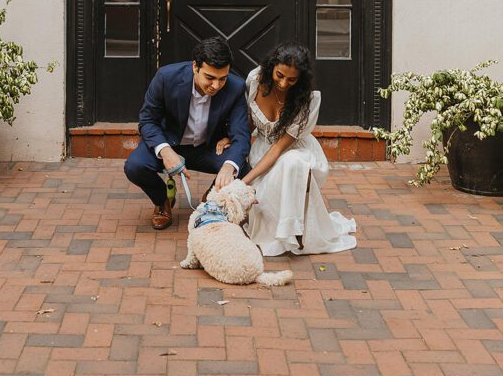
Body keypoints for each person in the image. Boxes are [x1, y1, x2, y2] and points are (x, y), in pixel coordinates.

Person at [218, 42, 356, 256]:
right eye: (279, 75)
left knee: (291, 163)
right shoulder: (256, 80)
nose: (283, 83)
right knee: (262, 201)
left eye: (291, 79)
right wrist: (234, 137)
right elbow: (253, 121)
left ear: (300, 79)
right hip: (262, 148)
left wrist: (242, 183)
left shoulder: (306, 101)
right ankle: (274, 232)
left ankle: (291, 232)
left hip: (293, 151)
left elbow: (278, 149)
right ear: (271, 67)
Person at [124, 37, 251, 231]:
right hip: (170, 144)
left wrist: (228, 167)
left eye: (222, 78)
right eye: (210, 77)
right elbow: (147, 121)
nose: (216, 85)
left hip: (208, 148)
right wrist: (166, 152)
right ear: (195, 67)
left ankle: (210, 202)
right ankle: (162, 201)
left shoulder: (236, 87)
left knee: (241, 168)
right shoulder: (166, 77)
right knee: (135, 166)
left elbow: (241, 135)